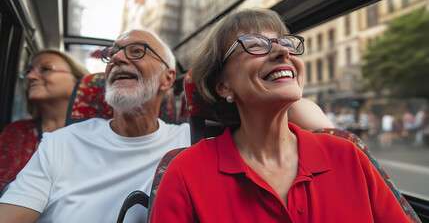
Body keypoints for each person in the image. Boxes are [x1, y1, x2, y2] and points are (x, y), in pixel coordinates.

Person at [0, 28, 334, 222]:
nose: (116, 59)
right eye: (112, 54)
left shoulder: (194, 142)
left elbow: (283, 107)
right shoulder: (61, 143)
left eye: (135, 51)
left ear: (168, 79)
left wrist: (286, 88)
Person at [150, 8, 413, 222]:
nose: (283, 51)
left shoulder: (349, 155)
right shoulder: (184, 172)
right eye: (254, 45)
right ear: (223, 86)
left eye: (285, 42)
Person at [0, 49, 89, 189]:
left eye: (46, 69)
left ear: (77, 80)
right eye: (28, 71)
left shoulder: (98, 132)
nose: (31, 76)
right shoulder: (15, 132)